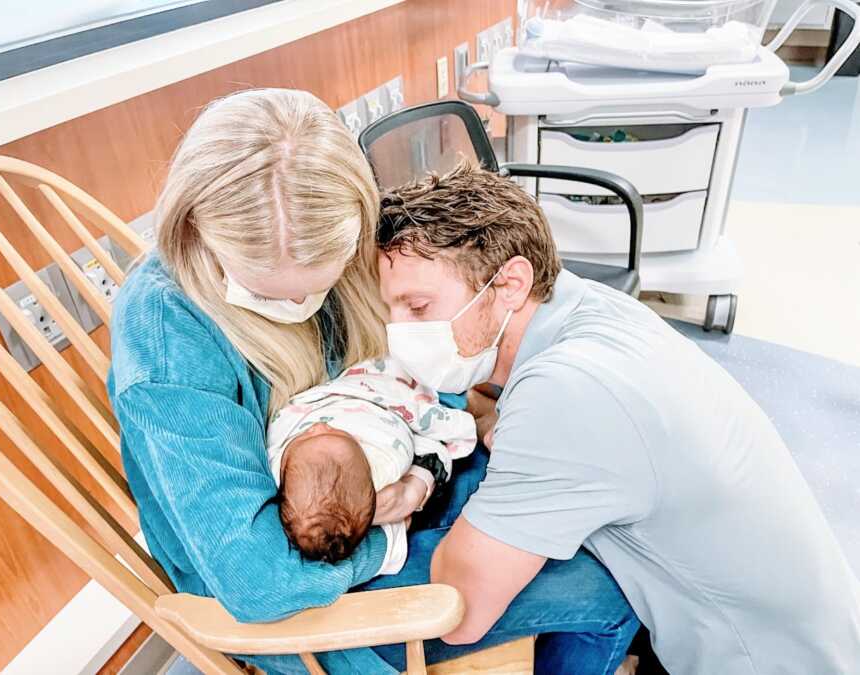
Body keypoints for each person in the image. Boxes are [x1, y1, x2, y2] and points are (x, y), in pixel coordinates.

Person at [108, 89, 638, 675]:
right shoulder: (167, 334)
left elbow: (406, 380)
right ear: (199, 235)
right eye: (268, 292)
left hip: (405, 479)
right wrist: (386, 535)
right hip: (303, 586)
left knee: (602, 518)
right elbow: (258, 581)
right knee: (618, 582)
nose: (297, 306)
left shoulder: (355, 237)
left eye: (318, 284)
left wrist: (424, 473)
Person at [375, 159, 860, 675]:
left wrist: (419, 486)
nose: (398, 332)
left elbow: (459, 610)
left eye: (419, 307)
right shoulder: (586, 305)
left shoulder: (566, 394)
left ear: (511, 283)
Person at [266, 355, 476, 565]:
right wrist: (415, 487)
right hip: (387, 394)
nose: (319, 427)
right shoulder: (386, 462)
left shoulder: (280, 470)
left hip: (343, 386)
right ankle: (474, 410)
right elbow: (432, 451)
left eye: (308, 437)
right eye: (339, 434)